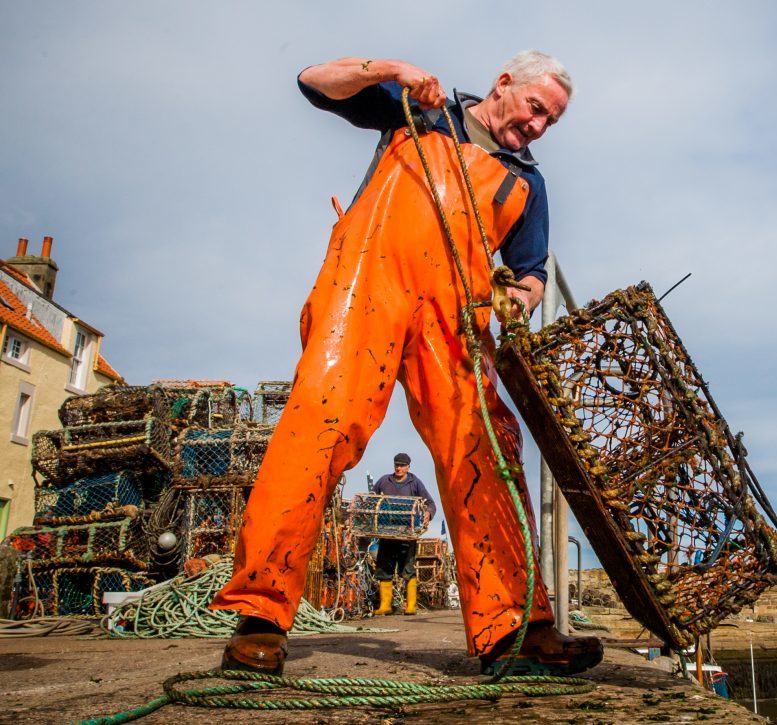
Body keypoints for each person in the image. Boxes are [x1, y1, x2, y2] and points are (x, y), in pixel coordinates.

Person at [211, 50, 602, 677]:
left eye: (550, 122)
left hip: (455, 321)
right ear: (504, 84)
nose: (537, 128)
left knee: (485, 451)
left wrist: (517, 298)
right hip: (364, 290)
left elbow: (530, 275)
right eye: (536, 109)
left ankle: (518, 628)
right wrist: (387, 68)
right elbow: (313, 84)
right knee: (317, 429)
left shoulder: (529, 182)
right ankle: (259, 616)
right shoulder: (419, 113)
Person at [371, 453, 436, 616]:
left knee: (408, 568)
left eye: (402, 465)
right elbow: (372, 498)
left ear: (408, 467)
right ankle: (385, 605)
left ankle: (411, 606)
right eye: (396, 465)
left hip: (407, 533)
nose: (398, 468)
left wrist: (428, 513)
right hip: (386, 532)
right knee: (384, 568)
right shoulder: (384, 481)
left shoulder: (415, 482)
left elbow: (430, 503)